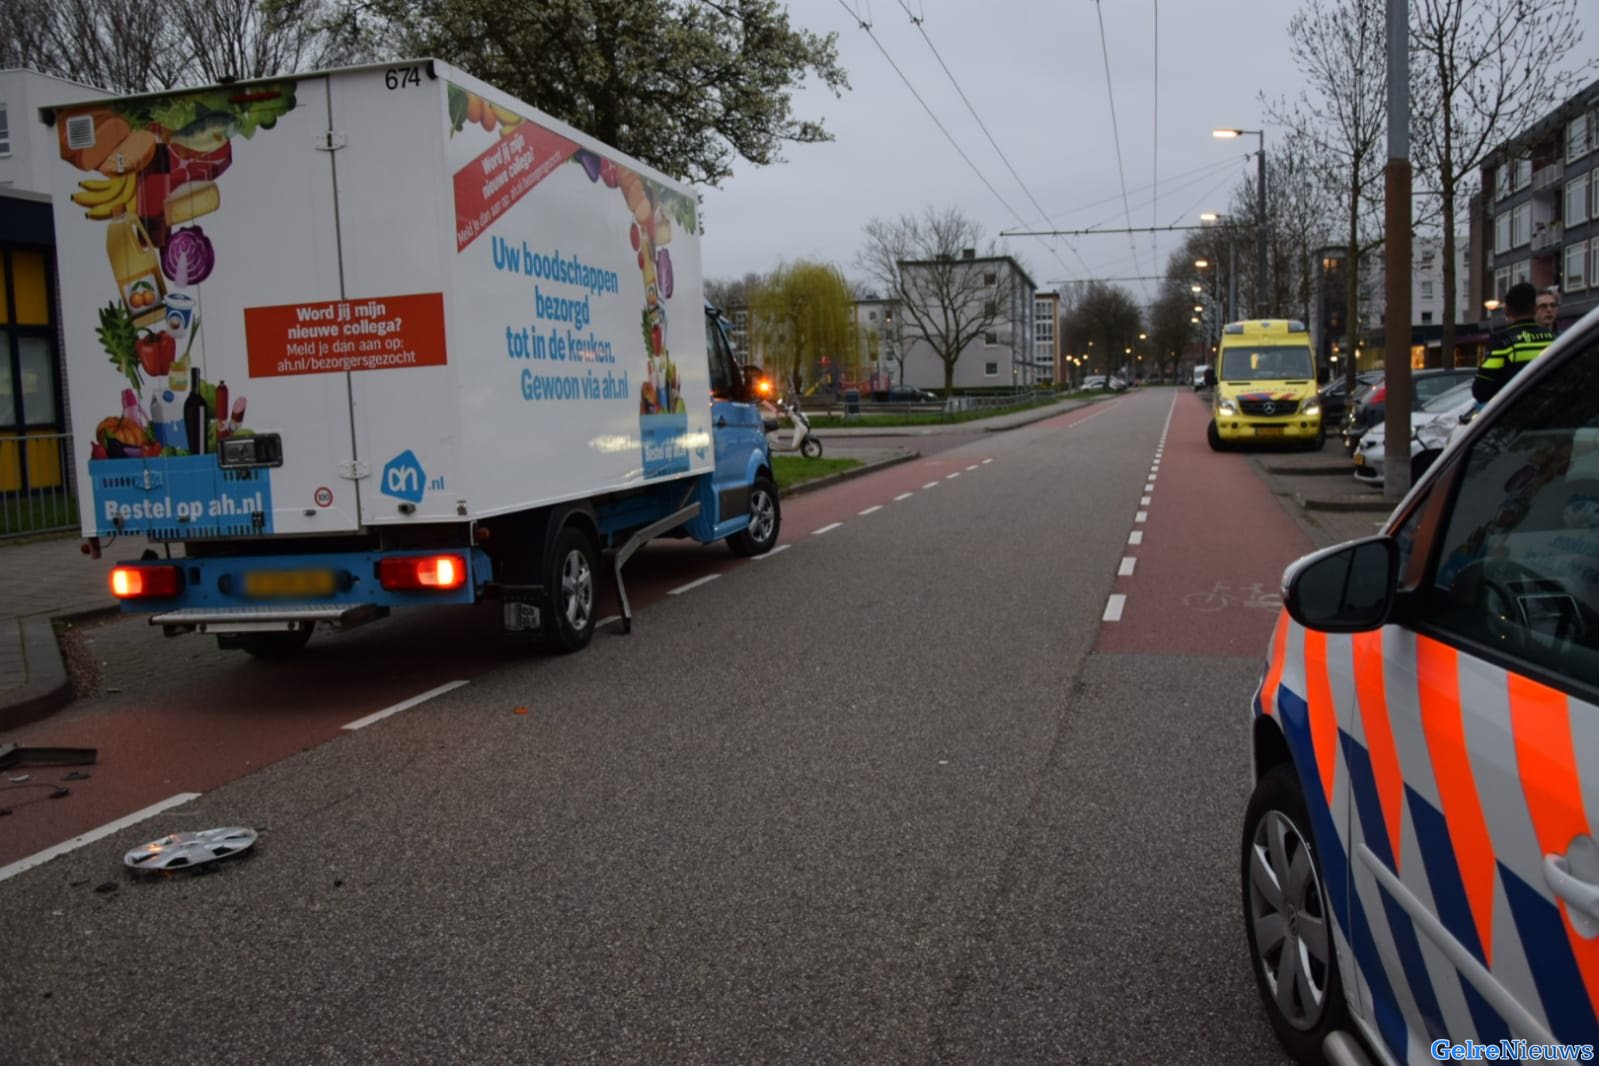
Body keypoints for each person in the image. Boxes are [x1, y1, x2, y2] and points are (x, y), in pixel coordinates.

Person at [1473, 282, 1554, 404]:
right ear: (1535, 309)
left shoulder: (1503, 342)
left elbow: (1481, 389)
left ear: (1506, 310)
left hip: (1516, 413)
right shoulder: (1553, 339)